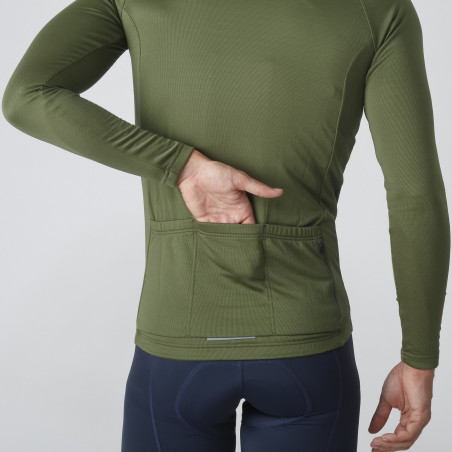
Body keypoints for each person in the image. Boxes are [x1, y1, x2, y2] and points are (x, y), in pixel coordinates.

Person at [2, 0, 449, 451]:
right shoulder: (378, 9)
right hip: (304, 341)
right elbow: (416, 199)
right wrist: (419, 360)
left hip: (177, 336)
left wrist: (180, 166)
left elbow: (26, 96)